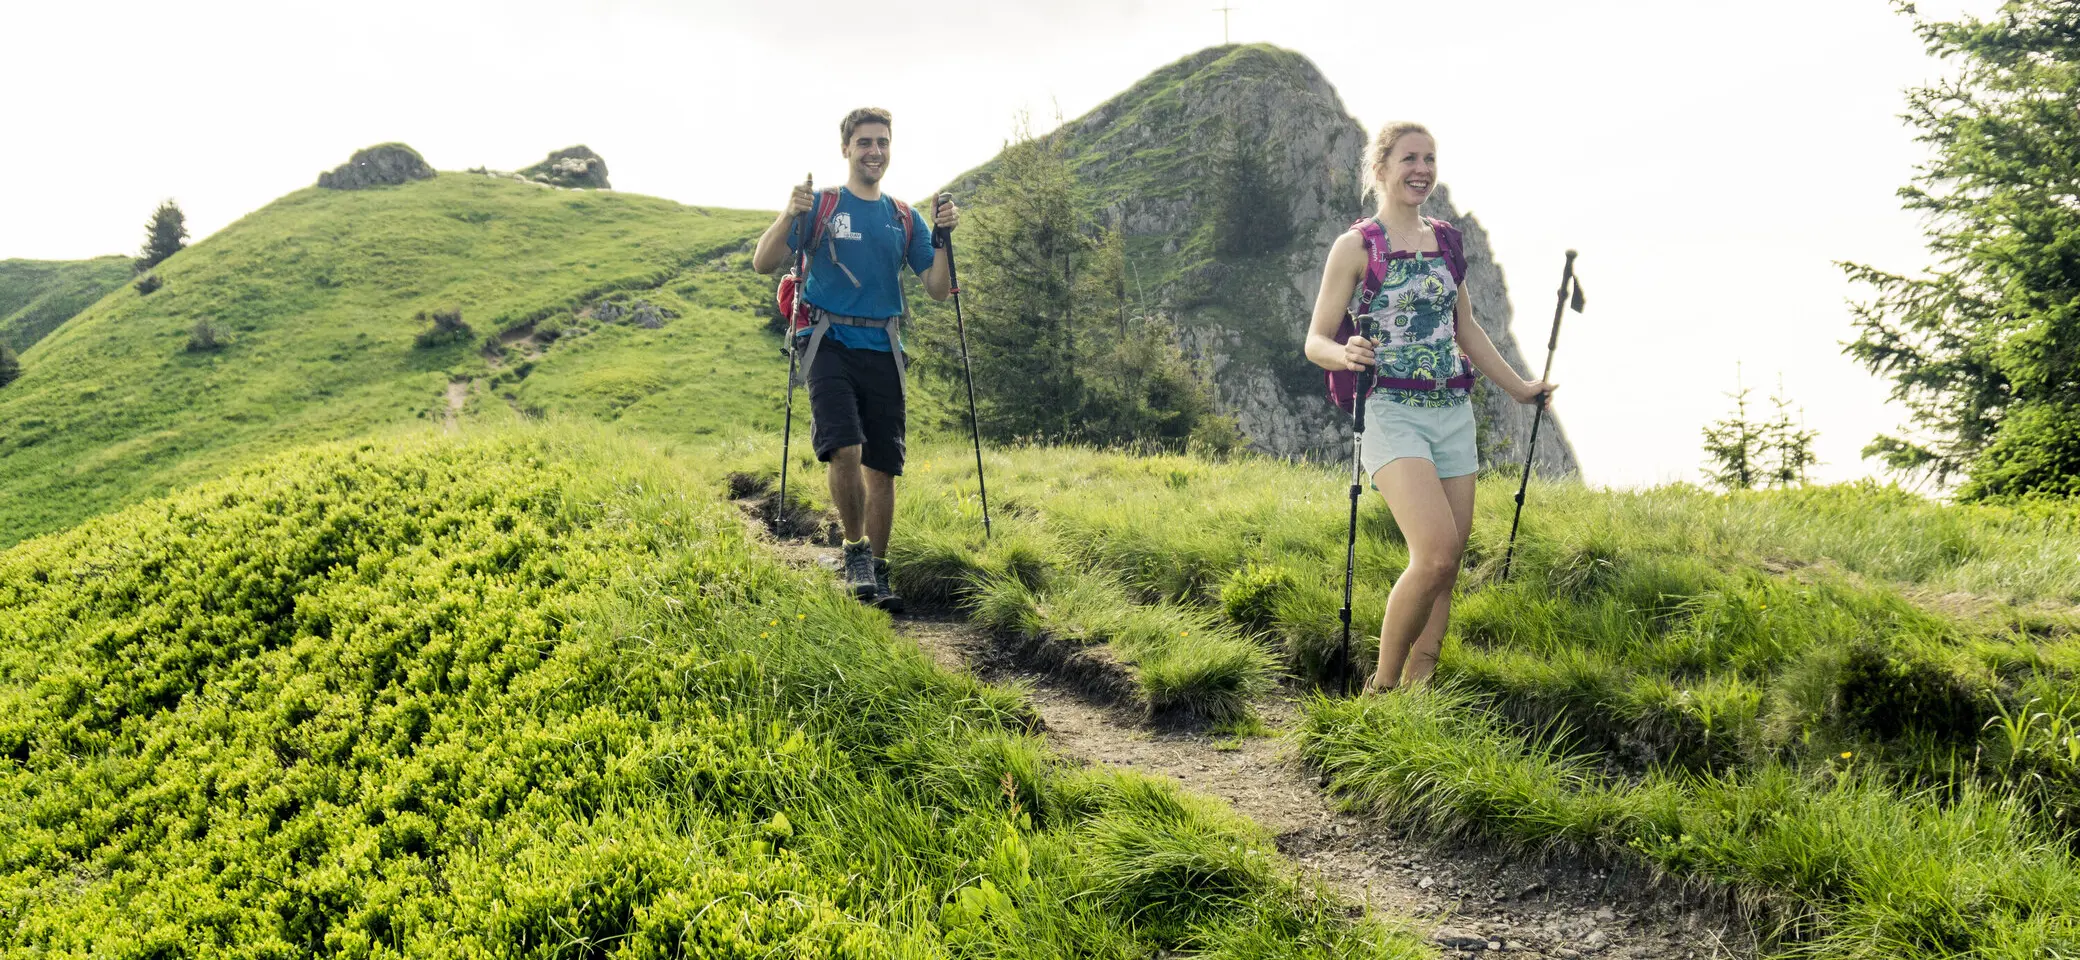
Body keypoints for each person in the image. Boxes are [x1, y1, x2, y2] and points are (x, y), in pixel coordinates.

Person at [1303, 121, 1555, 692]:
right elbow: (1315, 339)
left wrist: (1520, 388)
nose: (1422, 170)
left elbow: (1465, 328)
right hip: (1391, 411)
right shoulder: (1357, 246)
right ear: (1382, 168)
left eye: (1430, 159)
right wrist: (1345, 353)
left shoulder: (1445, 241)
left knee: (1449, 565)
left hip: (1452, 413)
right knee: (1436, 554)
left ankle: (1419, 695)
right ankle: (1381, 690)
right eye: (1410, 158)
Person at [750, 107, 960, 611]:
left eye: (882, 142)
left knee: (883, 466)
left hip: (884, 346)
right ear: (846, 148)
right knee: (845, 448)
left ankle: (879, 570)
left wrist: (944, 238)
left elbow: (936, 290)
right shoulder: (821, 204)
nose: (875, 151)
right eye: (864, 142)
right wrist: (788, 212)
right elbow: (763, 262)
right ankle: (855, 551)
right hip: (828, 343)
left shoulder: (903, 217)